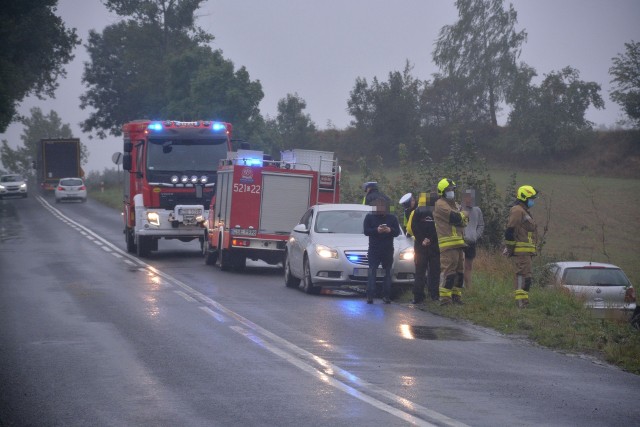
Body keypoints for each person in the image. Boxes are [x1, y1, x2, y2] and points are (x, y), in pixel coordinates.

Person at [433, 178, 468, 305]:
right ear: (442, 192)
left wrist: (462, 216)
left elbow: (464, 221)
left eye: (452, 189)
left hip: (459, 243)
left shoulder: (455, 204)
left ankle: (456, 297)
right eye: (449, 190)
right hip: (448, 244)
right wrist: (463, 214)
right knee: (448, 272)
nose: (451, 192)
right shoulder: (440, 204)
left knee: (460, 272)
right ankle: (445, 299)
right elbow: (456, 217)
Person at [504, 185, 538, 308]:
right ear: (524, 197)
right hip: (521, 252)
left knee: (527, 277)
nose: (533, 200)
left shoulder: (524, 211)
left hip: (527, 253)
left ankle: (524, 301)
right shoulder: (518, 210)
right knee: (522, 275)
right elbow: (510, 231)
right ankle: (520, 302)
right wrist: (509, 249)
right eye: (531, 198)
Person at [363, 197, 400, 304]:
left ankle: (386, 296)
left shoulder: (392, 218)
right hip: (374, 249)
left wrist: (389, 230)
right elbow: (366, 231)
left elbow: (397, 232)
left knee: (387, 272)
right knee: (372, 271)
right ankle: (370, 295)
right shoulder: (370, 217)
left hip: (387, 249)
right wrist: (376, 230)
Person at [407, 192, 440, 303]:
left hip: (420, 246)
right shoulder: (436, 212)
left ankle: (418, 297)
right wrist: (430, 239)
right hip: (434, 246)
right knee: (435, 271)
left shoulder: (417, 211)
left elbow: (413, 227)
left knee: (420, 271)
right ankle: (434, 295)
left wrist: (422, 239)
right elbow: (439, 228)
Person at [462, 189, 484, 290]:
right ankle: (458, 287)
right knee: (459, 266)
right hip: (461, 242)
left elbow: (481, 225)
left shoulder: (477, 210)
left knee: (469, 266)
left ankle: (469, 288)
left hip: (472, 242)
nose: (469, 200)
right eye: (467, 197)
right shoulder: (459, 209)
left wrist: (476, 235)